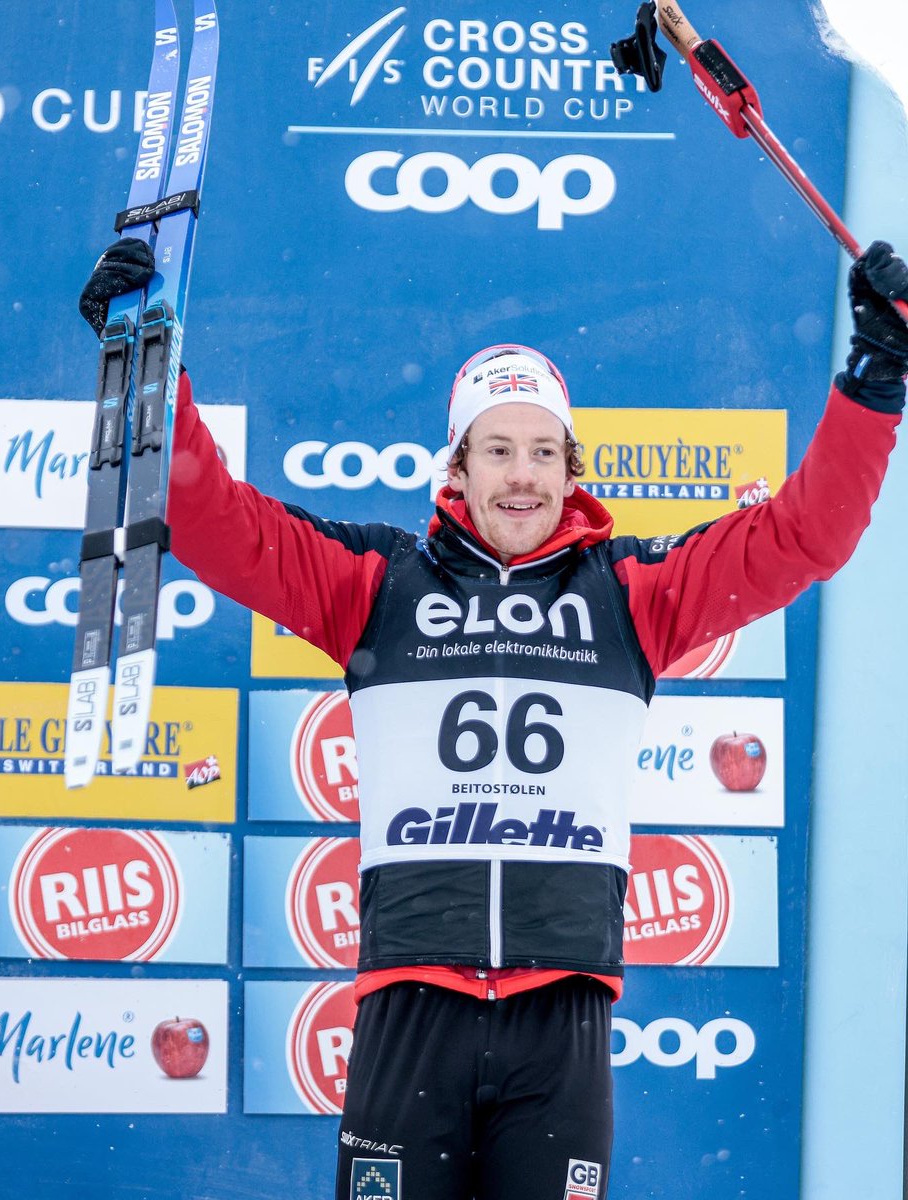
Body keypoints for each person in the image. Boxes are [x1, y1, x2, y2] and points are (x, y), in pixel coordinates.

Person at [80, 238, 908, 1199]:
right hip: (408, 1012)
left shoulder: (634, 594)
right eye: (499, 449)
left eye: (544, 452)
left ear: (572, 467)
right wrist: (151, 374)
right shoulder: (377, 583)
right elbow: (215, 520)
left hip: (560, 1023)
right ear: (459, 467)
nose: (523, 477)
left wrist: (876, 377)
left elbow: (807, 535)